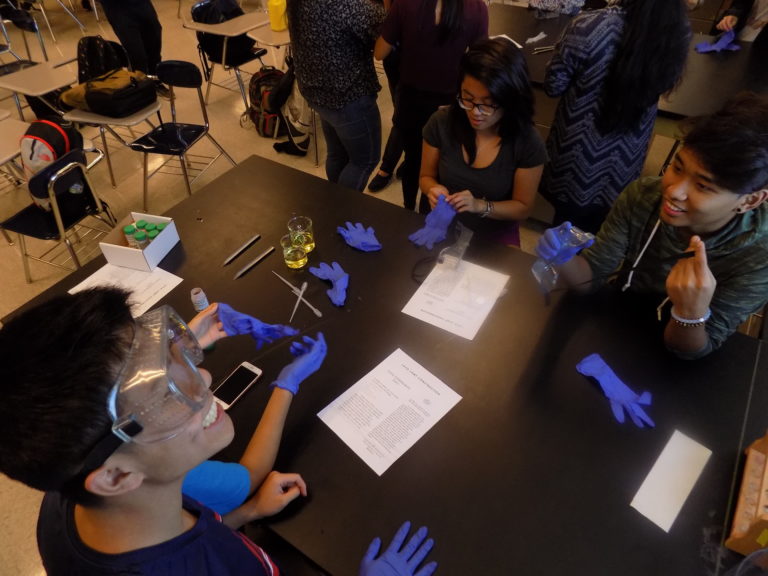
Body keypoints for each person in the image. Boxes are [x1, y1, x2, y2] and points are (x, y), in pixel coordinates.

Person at [0, 288, 437, 575]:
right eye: (168, 391)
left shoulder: (71, 497)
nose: (205, 379)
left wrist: (244, 517)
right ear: (115, 476)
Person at [536, 93, 768, 359]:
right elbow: (591, 278)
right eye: (677, 167)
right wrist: (563, 257)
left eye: (703, 186)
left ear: (750, 200)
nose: (674, 191)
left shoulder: (759, 255)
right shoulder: (643, 196)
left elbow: (696, 348)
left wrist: (690, 313)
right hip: (618, 325)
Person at [539, 0, 690, 234]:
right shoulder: (677, 31)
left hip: (577, 157)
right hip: (627, 156)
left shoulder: (588, 26)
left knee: (564, 235)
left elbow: (554, 85)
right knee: (600, 229)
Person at [420, 37, 547, 246]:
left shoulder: (527, 141)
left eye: (489, 104)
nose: (476, 113)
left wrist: (480, 206)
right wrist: (432, 189)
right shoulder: (442, 122)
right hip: (444, 226)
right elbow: (426, 177)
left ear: (510, 101)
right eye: (468, 98)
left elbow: (523, 207)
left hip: (494, 236)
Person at [375, 0, 488, 212]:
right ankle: (429, 213)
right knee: (439, 167)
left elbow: (379, 53)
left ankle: (408, 209)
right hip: (449, 103)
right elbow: (480, 61)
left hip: (411, 99)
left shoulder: (404, 4)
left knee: (413, 160)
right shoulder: (476, 8)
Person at [287, 0, 385, 192]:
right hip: (347, 95)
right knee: (364, 161)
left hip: (318, 91)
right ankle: (341, 213)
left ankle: (334, 202)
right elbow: (388, 26)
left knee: (338, 154)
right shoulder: (350, 6)